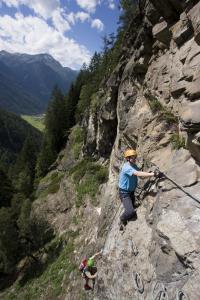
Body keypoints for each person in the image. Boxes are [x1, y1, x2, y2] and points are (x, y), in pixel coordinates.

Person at [118, 149, 155, 230]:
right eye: (133, 157)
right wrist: (152, 174)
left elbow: (141, 176)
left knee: (133, 208)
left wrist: (150, 174)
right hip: (124, 193)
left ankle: (128, 211)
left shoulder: (134, 166)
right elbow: (138, 173)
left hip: (131, 192)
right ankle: (122, 219)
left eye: (135, 157)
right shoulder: (126, 167)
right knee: (130, 212)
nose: (135, 159)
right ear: (128, 158)